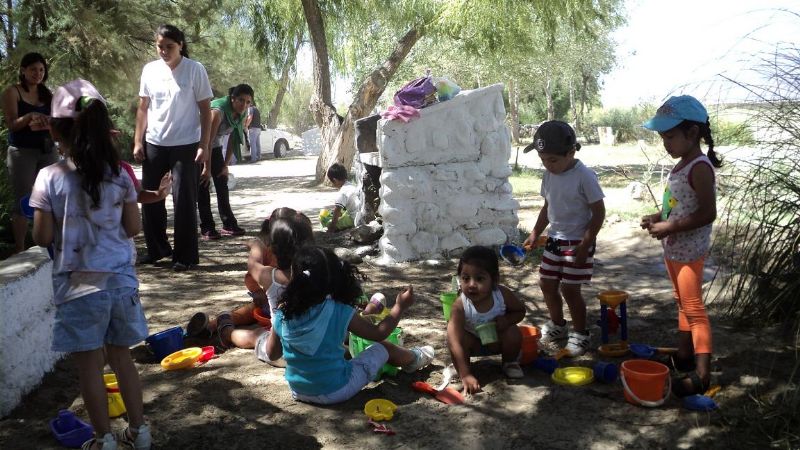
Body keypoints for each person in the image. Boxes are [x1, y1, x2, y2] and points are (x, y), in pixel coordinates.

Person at [29, 79, 150, 450]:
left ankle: (103, 439)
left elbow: (43, 238)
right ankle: (140, 433)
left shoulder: (48, 178)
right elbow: (133, 228)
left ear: (53, 129)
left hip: (78, 289)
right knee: (122, 359)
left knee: (89, 368)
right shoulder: (120, 175)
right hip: (120, 285)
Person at [265, 246, 434, 405]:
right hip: (336, 390)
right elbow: (378, 333)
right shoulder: (337, 310)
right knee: (383, 348)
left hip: (299, 391)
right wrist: (400, 307)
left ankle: (412, 358)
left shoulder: (282, 313)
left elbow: (272, 354)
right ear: (331, 280)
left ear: (294, 277)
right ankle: (414, 359)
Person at [640, 95, 721, 397]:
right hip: (674, 249)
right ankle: (684, 355)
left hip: (690, 253)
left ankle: (702, 374)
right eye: (663, 137)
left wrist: (669, 226)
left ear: (693, 133)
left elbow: (707, 212)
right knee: (681, 302)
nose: (665, 143)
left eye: (670, 136)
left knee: (694, 309)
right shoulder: (681, 166)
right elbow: (673, 203)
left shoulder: (699, 167)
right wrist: (658, 217)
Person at [522, 120, 605, 357]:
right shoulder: (549, 176)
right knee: (546, 283)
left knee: (570, 289)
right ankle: (558, 326)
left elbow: (599, 212)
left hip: (578, 242)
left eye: (553, 160)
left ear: (571, 152)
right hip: (555, 240)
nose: (547, 165)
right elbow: (547, 206)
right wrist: (536, 232)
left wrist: (586, 244)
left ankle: (581, 334)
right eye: (543, 160)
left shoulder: (584, 176)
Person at [133, 24, 213, 271]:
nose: (164, 51)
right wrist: (138, 140)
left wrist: (204, 145)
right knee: (150, 198)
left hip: (186, 143)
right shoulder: (149, 70)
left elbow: (205, 111)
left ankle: (185, 256)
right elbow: (143, 108)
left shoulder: (194, 69)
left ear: (180, 45)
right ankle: (157, 249)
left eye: (169, 46)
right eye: (160, 46)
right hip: (155, 142)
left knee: (184, 200)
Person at [185, 212, 313, 355]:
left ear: (275, 248)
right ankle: (210, 327)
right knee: (250, 311)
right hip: (311, 341)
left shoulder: (271, 276)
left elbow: (253, 266)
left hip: (280, 347)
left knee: (256, 334)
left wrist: (255, 246)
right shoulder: (319, 272)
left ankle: (227, 333)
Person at [447, 246, 527, 394]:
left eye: (479, 278)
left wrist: (507, 320)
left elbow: (520, 311)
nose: (471, 284)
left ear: (494, 279)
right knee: (456, 338)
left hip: (497, 341)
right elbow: (453, 340)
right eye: (465, 278)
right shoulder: (460, 306)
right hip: (473, 345)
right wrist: (465, 374)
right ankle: (463, 369)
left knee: (513, 331)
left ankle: (510, 362)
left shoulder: (502, 295)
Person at [2, 52, 59, 254]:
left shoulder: (48, 94)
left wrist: (48, 122)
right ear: (23, 70)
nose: (38, 73)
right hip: (22, 152)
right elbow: (12, 124)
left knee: (52, 196)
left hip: (47, 149)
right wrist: (29, 117)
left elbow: (57, 122)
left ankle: (50, 243)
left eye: (42, 69)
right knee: (23, 198)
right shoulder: (12, 92)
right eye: (33, 69)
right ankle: (19, 248)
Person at [197, 84, 252, 240]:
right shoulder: (218, 112)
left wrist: (225, 166)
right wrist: (206, 169)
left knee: (222, 182)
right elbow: (207, 140)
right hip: (199, 146)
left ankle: (229, 224)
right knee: (203, 185)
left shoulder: (241, 112)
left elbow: (233, 140)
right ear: (232, 99)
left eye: (248, 102)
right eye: (241, 100)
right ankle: (207, 227)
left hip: (214, 146)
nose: (244, 105)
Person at [324, 162, 357, 232]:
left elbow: (337, 210)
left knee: (328, 223)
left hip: (354, 218)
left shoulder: (342, 192)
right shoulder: (352, 185)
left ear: (335, 180)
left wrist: (332, 226)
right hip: (359, 214)